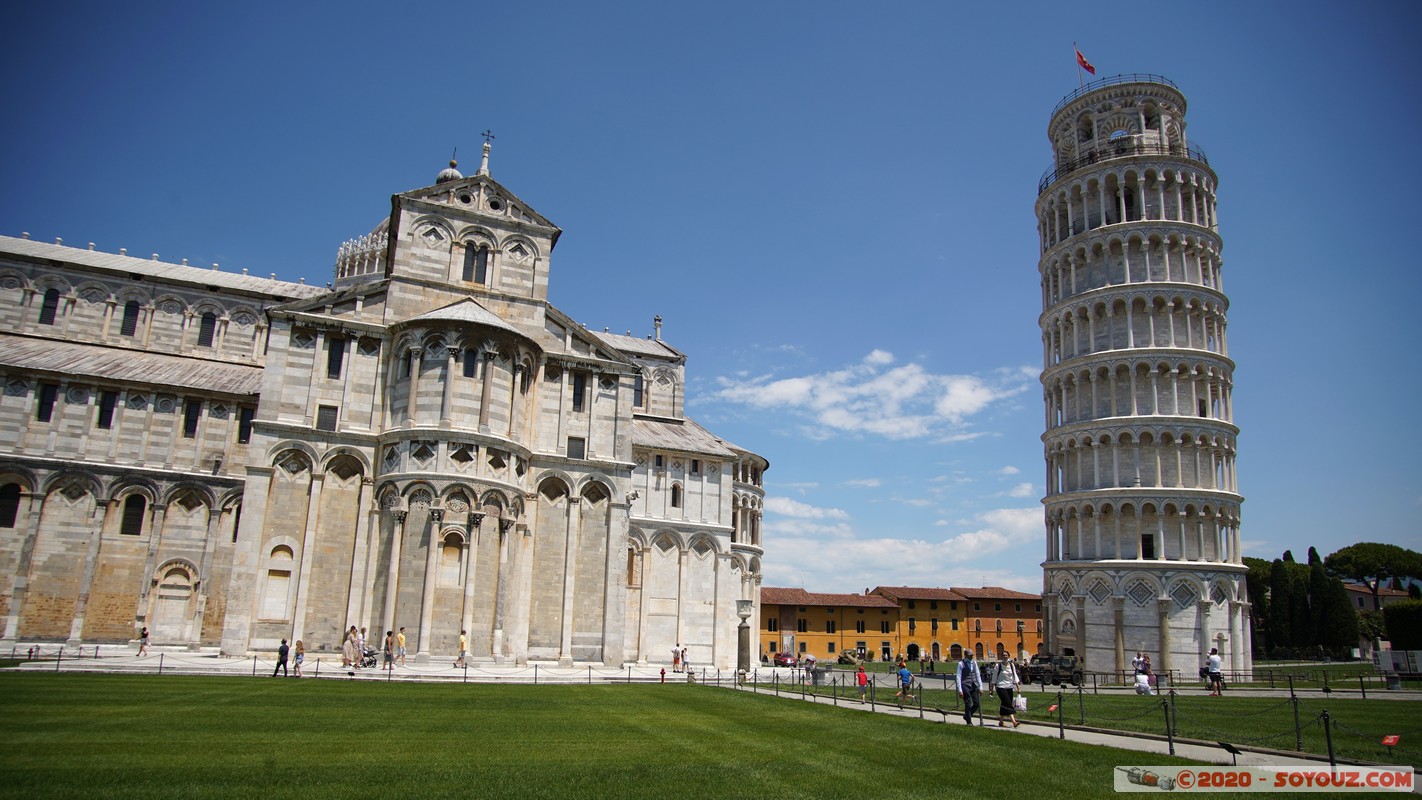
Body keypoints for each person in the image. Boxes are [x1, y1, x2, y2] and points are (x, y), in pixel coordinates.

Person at [991, 652, 1021, 727]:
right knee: (1008, 703)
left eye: (1006, 655)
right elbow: (994, 677)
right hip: (1000, 687)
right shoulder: (998, 666)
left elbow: (1015, 676)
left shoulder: (1011, 665)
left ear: (1008, 656)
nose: (1005, 656)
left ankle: (1001, 722)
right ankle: (1014, 722)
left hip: (1009, 687)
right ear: (1001, 657)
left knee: (1004, 704)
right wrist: (991, 689)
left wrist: (1018, 687)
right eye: (1003, 655)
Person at [956, 650, 983, 725]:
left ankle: (967, 716)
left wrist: (981, 687)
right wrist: (960, 690)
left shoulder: (974, 663)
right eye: (970, 655)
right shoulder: (961, 664)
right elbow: (958, 677)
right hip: (965, 684)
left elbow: (977, 675)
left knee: (977, 703)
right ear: (965, 655)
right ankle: (969, 722)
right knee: (968, 703)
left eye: (972, 655)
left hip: (973, 684)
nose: (971, 656)